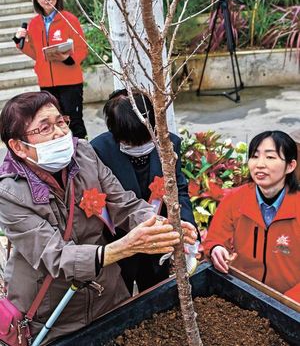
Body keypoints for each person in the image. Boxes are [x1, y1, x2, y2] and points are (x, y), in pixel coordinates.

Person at [0, 91, 197, 344]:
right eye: (45, 128)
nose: (60, 133)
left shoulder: (83, 153)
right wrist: (123, 247)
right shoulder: (9, 193)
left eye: (61, 122)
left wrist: (164, 226)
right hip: (53, 310)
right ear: (17, 146)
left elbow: (122, 203)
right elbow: (55, 256)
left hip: (107, 294)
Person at [91, 89, 199, 294]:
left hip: (159, 238)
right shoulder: (98, 151)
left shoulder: (170, 143)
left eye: (146, 139)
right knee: (119, 297)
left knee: (155, 291)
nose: (140, 147)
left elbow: (179, 190)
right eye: (130, 142)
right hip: (121, 240)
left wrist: (187, 226)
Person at [204, 130, 300, 303]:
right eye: (255, 156)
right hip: (243, 293)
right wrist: (216, 249)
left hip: (289, 302)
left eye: (270, 157)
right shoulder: (234, 198)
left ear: (290, 166)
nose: (260, 164)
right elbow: (214, 239)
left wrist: (289, 303)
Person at [13, 0, 88, 139]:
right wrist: (19, 43)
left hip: (70, 81)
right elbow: (37, 54)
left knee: (73, 121)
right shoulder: (34, 24)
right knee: (54, 123)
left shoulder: (69, 19)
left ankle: (83, 156)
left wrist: (67, 58)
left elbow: (82, 49)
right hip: (46, 83)